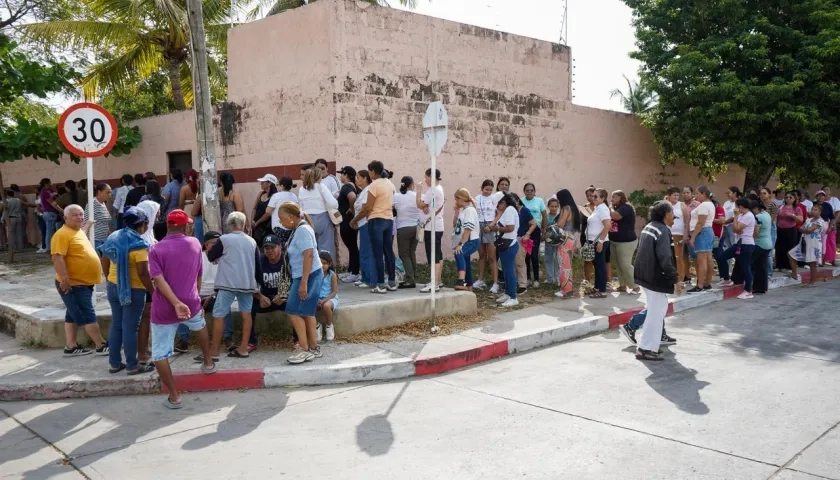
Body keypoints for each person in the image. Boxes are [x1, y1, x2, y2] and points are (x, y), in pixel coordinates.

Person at [149, 209, 217, 409]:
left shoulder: (155, 249)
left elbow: (157, 279)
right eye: (187, 224)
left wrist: (175, 303)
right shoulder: (195, 243)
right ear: (182, 226)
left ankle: (175, 396)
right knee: (199, 325)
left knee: (160, 353)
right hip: (191, 301)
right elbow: (198, 274)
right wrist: (192, 296)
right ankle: (208, 362)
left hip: (164, 307)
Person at [99, 207, 154, 375]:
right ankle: (132, 365)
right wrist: (153, 291)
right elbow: (143, 273)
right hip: (133, 290)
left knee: (117, 325)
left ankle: (115, 364)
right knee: (131, 328)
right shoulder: (139, 244)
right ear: (142, 225)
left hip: (114, 286)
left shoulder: (114, 237)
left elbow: (105, 258)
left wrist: (109, 279)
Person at [51, 205, 109, 356]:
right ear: (65, 218)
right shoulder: (61, 234)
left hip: (84, 282)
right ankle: (100, 344)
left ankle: (71, 346)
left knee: (72, 313)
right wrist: (64, 279)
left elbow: (82, 231)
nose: (79, 217)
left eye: (81, 214)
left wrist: (89, 224)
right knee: (86, 313)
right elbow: (57, 258)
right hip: (74, 283)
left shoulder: (76, 231)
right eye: (75, 215)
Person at [630, 201, 682, 361]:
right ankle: (645, 349)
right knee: (656, 313)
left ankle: (650, 345)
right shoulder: (663, 230)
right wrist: (675, 279)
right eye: (672, 213)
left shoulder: (650, 226)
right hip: (655, 277)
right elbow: (665, 258)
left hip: (645, 275)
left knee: (656, 310)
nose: (674, 216)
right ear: (666, 214)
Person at [174, 231, 239, 354]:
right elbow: (191, 280)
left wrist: (212, 295)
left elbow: (226, 282)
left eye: (220, 243)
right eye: (215, 243)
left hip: (216, 294)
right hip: (197, 294)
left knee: (224, 304)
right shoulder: (197, 257)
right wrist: (197, 297)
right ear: (206, 244)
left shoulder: (224, 258)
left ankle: (228, 338)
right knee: (183, 306)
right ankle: (183, 341)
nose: (218, 246)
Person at [205, 211, 258, 359]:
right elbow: (257, 264)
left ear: (229, 225)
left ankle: (214, 351)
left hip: (227, 283)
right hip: (247, 283)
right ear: (243, 224)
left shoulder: (224, 239)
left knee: (219, 314)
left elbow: (211, 256)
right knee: (246, 315)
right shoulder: (252, 241)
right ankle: (243, 348)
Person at [277, 202, 324, 363]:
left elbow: (308, 255)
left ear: (291, 217)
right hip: (308, 275)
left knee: (292, 310)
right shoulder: (299, 229)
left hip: (307, 276)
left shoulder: (302, 230)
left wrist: (304, 282)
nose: (280, 222)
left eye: (282, 218)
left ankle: (304, 348)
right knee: (307, 313)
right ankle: (313, 347)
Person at [351, 161, 397, 294]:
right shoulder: (390, 184)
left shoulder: (374, 185)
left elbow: (368, 207)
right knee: (388, 252)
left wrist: (354, 220)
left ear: (372, 171)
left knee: (377, 253)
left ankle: (381, 284)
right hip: (389, 219)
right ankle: (392, 282)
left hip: (376, 219)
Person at [133, 200, 160, 365]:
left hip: (149, 280)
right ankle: (142, 353)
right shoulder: (142, 236)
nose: (157, 217)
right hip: (144, 282)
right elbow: (143, 268)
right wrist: (152, 289)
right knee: (144, 317)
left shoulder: (148, 233)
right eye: (155, 214)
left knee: (146, 318)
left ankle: (146, 349)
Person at [716, 197, 757, 299]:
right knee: (721, 257)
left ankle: (748, 290)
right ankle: (726, 279)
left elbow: (736, 228)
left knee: (745, 266)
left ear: (740, 207)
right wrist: (736, 224)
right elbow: (736, 229)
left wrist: (735, 217)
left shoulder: (748, 216)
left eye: (736, 206)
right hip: (738, 243)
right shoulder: (742, 215)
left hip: (746, 244)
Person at [250, 235, 286, 348]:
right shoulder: (259, 261)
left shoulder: (287, 260)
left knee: (297, 303)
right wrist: (259, 296)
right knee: (248, 305)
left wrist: (285, 295)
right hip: (265, 298)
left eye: (272, 247)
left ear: (280, 247)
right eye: (267, 248)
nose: (269, 251)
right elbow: (250, 283)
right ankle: (251, 341)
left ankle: (297, 340)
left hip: (283, 297)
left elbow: (296, 282)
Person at [299, 168, 339, 260]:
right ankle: (327, 270)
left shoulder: (302, 189)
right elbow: (333, 204)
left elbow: (300, 206)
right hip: (322, 218)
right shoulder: (321, 186)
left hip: (307, 219)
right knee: (326, 247)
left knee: (311, 247)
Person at [488, 194, 520, 307]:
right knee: (506, 271)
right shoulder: (504, 212)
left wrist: (497, 228)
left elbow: (510, 227)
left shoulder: (510, 210)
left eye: (499, 203)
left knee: (509, 271)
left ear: (505, 202)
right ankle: (508, 293)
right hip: (503, 244)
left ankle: (513, 297)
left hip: (509, 244)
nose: (497, 206)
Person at [416, 168, 445, 293]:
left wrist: (418, 191)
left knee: (433, 256)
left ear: (430, 177)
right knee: (437, 254)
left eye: (426, 177)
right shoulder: (438, 189)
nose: (425, 180)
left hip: (432, 227)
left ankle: (435, 283)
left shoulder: (433, 190)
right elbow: (427, 205)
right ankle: (437, 280)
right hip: (436, 226)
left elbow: (419, 204)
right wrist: (425, 206)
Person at [475, 179, 503, 292]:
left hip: (490, 227)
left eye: (490, 190)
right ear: (482, 188)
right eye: (486, 189)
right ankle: (480, 279)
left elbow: (499, 213)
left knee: (492, 257)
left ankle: (495, 282)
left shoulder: (494, 198)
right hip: (479, 226)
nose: (488, 192)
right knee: (482, 255)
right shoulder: (477, 199)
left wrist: (491, 225)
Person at [551, 189, 580, 298]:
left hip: (564, 238)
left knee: (563, 265)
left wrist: (552, 226)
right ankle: (569, 289)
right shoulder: (574, 209)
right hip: (572, 238)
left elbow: (560, 225)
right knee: (568, 264)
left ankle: (565, 290)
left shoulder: (565, 209)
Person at [788, 204, 826, 285]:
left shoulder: (820, 221)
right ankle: (794, 273)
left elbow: (810, 230)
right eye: (812, 209)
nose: (813, 211)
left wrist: (805, 229)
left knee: (812, 263)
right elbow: (801, 228)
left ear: (820, 212)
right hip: (804, 242)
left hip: (814, 243)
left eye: (816, 210)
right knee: (791, 254)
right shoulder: (809, 219)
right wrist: (805, 229)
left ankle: (812, 281)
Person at [609, 190, 639, 294]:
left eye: (614, 197)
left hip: (626, 242)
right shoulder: (617, 208)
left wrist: (610, 208)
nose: (612, 199)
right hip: (614, 240)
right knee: (618, 264)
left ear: (621, 197)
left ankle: (635, 285)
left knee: (625, 264)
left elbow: (616, 216)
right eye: (612, 197)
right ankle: (622, 285)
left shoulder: (626, 207)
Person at [687, 186, 715, 292]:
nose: (696, 195)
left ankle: (700, 285)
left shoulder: (704, 206)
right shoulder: (710, 204)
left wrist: (693, 237)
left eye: (698, 193)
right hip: (707, 232)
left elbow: (700, 222)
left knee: (702, 260)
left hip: (702, 233)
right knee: (708, 259)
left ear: (704, 194)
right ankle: (707, 282)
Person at [394, 175, 420, 289]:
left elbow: (392, 208)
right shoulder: (417, 196)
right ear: (412, 185)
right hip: (416, 227)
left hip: (403, 228)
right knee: (411, 252)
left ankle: (409, 279)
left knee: (404, 254)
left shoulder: (397, 197)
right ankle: (413, 275)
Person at [452, 188, 481, 291]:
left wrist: (460, 243)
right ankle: (469, 285)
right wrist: (456, 212)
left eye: (456, 199)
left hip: (471, 240)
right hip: (466, 240)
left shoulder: (470, 210)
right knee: (466, 261)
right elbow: (456, 225)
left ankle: (461, 280)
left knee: (459, 253)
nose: (456, 202)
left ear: (461, 198)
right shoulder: (463, 210)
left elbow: (468, 229)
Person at [351, 170, 376, 288]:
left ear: (365, 178)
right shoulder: (363, 191)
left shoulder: (368, 190)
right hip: (361, 224)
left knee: (367, 252)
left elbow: (365, 209)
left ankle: (370, 279)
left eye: (359, 177)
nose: (356, 180)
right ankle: (365, 276)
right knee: (362, 251)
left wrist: (355, 219)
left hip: (366, 223)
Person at [586, 188, 612, 298]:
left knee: (600, 265)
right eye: (592, 196)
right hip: (594, 240)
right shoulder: (598, 208)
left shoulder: (603, 209)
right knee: (597, 265)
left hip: (599, 241)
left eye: (596, 196)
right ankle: (597, 287)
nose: (593, 198)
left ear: (603, 198)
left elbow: (607, 225)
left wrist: (600, 241)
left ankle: (602, 290)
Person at [520, 183, 547, 287]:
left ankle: (536, 279)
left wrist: (544, 231)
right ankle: (528, 278)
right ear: (524, 191)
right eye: (527, 190)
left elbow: (544, 216)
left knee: (534, 255)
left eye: (531, 190)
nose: (529, 192)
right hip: (525, 231)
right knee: (525, 255)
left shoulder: (539, 201)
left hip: (536, 230)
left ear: (534, 191)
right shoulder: (521, 201)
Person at [337, 167, 360, 283]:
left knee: (352, 247)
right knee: (352, 247)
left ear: (346, 175)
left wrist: (351, 208)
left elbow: (352, 197)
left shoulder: (347, 187)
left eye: (342, 174)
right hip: (350, 221)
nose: (340, 177)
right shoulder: (355, 187)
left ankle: (355, 272)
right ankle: (351, 270)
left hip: (347, 221)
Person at [666, 187, 690, 284]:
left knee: (678, 257)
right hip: (667, 233)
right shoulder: (665, 204)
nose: (676, 197)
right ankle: (669, 277)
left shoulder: (681, 205)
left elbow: (687, 220)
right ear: (669, 195)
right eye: (674, 195)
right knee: (667, 257)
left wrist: (686, 233)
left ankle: (680, 278)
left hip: (678, 234)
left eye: (677, 195)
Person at [266, 176, 299, 244]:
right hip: (292, 227)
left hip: (279, 227)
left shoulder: (276, 196)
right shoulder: (294, 196)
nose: (276, 186)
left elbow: (268, 211)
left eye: (277, 184)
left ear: (282, 186)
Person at [748, 201, 772, 293]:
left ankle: (749, 286)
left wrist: (751, 240)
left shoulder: (758, 217)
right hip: (768, 244)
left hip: (759, 244)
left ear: (756, 208)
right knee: (762, 267)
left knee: (750, 265)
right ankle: (761, 288)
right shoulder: (766, 214)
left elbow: (756, 232)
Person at [775, 192, 803, 271]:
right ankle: (779, 265)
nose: (788, 199)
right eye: (787, 197)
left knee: (790, 248)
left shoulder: (797, 208)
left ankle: (789, 266)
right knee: (779, 247)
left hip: (790, 230)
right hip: (780, 229)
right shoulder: (781, 207)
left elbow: (800, 220)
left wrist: (792, 215)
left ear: (794, 199)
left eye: (790, 197)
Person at [316, 250, 339, 341]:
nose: (322, 265)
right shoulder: (315, 275)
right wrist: (316, 299)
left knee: (326, 306)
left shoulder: (332, 275)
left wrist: (325, 300)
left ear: (329, 264)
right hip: (318, 298)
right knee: (308, 305)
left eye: (324, 263)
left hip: (330, 298)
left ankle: (329, 325)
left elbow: (334, 292)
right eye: (320, 263)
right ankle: (317, 326)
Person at [83, 183, 112, 251]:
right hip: (95, 240)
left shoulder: (103, 203)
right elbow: (86, 220)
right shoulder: (93, 203)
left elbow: (104, 222)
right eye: (107, 192)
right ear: (99, 192)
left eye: (110, 193)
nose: (109, 195)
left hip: (103, 239)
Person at [251, 173, 278, 244]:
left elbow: (268, 214)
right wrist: (252, 221)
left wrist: (257, 222)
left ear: (269, 183)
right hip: (256, 226)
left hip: (267, 227)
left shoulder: (275, 196)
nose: (261, 184)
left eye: (263, 182)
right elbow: (254, 209)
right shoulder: (261, 194)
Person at [759, 187, 779, 276]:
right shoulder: (759, 205)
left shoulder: (772, 204)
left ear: (769, 195)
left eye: (764, 193)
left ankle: (769, 273)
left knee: (769, 251)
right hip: (761, 228)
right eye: (761, 193)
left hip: (770, 228)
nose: (762, 195)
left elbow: (772, 218)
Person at [39, 179, 61, 253]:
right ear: (46, 184)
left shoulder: (47, 192)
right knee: (50, 231)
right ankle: (49, 248)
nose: (51, 184)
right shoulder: (46, 192)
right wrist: (61, 210)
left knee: (50, 230)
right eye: (50, 182)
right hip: (50, 213)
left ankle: (50, 247)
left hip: (48, 213)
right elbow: (52, 203)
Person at [178, 169, 201, 240]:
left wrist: (180, 212)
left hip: (187, 210)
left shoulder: (184, 189)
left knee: (187, 232)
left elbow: (181, 203)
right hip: (198, 210)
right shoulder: (199, 187)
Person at [818, 187, 838, 266]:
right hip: (815, 226)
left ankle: (825, 260)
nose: (821, 197)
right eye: (819, 196)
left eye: (822, 195)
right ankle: (816, 260)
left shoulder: (830, 204)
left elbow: (833, 216)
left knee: (825, 243)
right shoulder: (813, 204)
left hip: (826, 225)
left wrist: (831, 226)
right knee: (816, 243)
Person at [544, 198, 561, 286]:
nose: (554, 208)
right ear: (548, 207)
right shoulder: (546, 216)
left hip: (558, 241)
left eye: (555, 206)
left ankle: (557, 277)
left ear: (558, 207)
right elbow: (544, 227)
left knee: (557, 258)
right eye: (552, 206)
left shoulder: (560, 216)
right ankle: (550, 278)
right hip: (548, 240)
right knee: (548, 258)